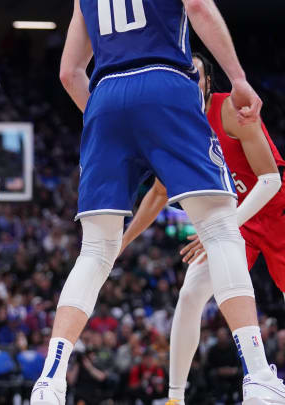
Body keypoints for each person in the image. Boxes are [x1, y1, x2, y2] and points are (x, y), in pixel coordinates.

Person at [30, 0, 285, 404]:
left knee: (95, 251)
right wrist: (238, 78)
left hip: (105, 96)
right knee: (221, 232)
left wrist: (106, 117)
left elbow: (69, 72)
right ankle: (257, 375)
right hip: (164, 82)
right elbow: (199, 6)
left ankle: (50, 380)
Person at [120, 53, 285, 403]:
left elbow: (271, 180)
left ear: (208, 82)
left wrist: (223, 225)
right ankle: (175, 398)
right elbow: (159, 193)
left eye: (194, 77)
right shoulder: (174, 128)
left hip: (275, 212)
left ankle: (264, 381)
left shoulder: (230, 110)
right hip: (233, 223)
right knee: (190, 294)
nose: (187, 85)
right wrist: (120, 243)